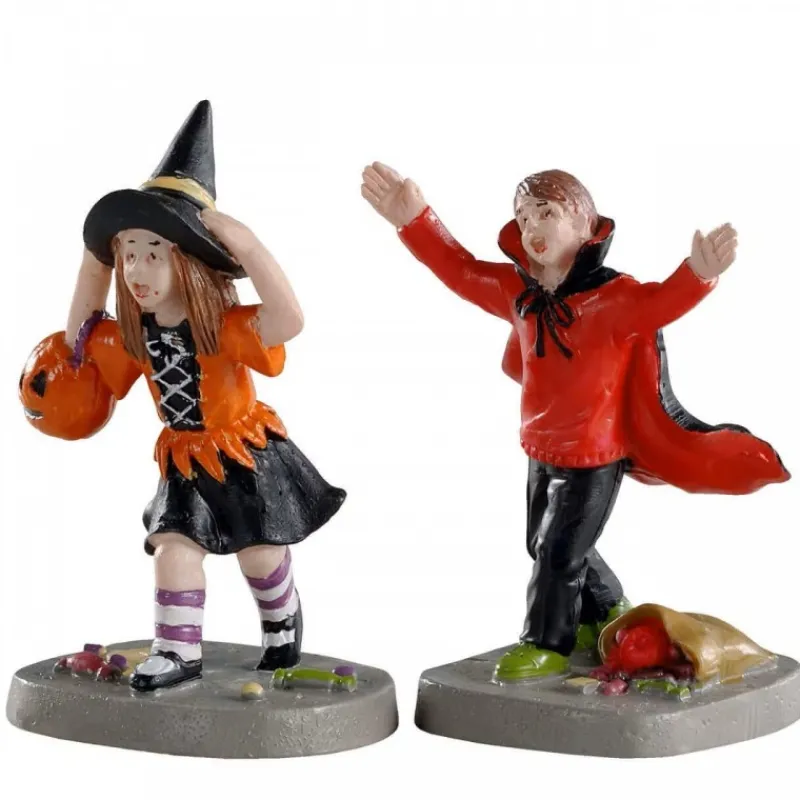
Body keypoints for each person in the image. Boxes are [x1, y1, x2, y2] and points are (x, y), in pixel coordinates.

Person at [362, 162, 788, 681]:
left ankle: (547, 643)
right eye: (523, 217)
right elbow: (460, 269)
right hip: (540, 447)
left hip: (594, 455)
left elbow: (660, 303)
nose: (532, 228)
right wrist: (415, 220)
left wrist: (698, 273)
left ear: (585, 225)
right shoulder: (518, 292)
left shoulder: (613, 298)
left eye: (547, 213)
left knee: (556, 552)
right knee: (542, 543)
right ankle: (606, 607)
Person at [20, 101, 345, 692]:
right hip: (184, 456)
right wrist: (94, 258)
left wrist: (248, 247)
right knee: (173, 545)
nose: (137, 269)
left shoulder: (224, 328)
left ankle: (281, 618)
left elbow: (289, 320)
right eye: (128, 254)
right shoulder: (131, 336)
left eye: (154, 253)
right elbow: (78, 335)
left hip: (241, 451)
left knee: (259, 552)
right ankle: (176, 650)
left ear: (190, 262)